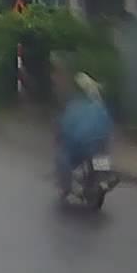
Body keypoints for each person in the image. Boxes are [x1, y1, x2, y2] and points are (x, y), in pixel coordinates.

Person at [52, 54, 114, 195]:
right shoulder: (96, 105)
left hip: (79, 144)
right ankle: (104, 176)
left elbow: (65, 126)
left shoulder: (74, 105)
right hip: (97, 140)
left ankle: (67, 185)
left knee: (63, 155)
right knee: (102, 152)